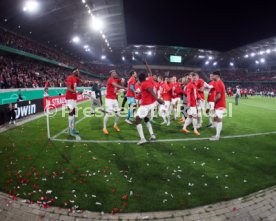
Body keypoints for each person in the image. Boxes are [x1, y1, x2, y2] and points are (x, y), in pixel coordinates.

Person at [135, 72, 164, 145]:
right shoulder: (150, 80)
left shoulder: (144, 83)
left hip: (145, 105)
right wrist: (146, 64)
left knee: (137, 120)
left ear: (139, 79)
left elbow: (150, 90)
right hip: (151, 104)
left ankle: (142, 139)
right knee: (146, 119)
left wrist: (158, 99)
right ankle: (152, 135)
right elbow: (150, 71)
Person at [65, 68, 87, 137]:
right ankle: (69, 130)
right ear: (74, 72)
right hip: (69, 98)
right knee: (71, 114)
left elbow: (82, 82)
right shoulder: (70, 78)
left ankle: (73, 128)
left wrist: (85, 82)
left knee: (75, 115)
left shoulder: (76, 78)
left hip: (74, 98)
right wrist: (77, 92)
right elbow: (68, 88)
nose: (79, 73)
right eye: (78, 71)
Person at [103, 70, 126, 135]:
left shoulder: (116, 79)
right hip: (109, 100)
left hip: (114, 99)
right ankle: (104, 128)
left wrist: (122, 80)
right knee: (108, 114)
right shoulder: (110, 79)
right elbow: (116, 85)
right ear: (111, 74)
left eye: (116, 72)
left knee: (118, 114)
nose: (115, 74)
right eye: (114, 73)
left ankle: (115, 125)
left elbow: (121, 83)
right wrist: (124, 88)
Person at [210, 71, 226, 141]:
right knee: (216, 119)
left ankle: (217, 136)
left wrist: (213, 101)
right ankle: (217, 134)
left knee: (218, 120)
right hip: (219, 104)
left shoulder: (219, 83)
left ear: (216, 76)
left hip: (220, 105)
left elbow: (219, 96)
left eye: (213, 75)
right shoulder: (218, 82)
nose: (212, 77)